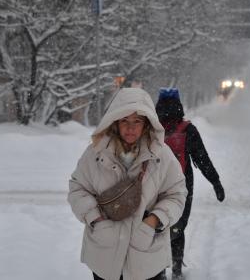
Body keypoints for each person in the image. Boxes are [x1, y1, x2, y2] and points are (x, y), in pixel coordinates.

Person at [68, 87, 187, 280]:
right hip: (104, 257)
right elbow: (77, 189)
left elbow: (176, 194)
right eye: (124, 120)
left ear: (146, 123)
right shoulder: (95, 153)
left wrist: (152, 223)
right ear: (115, 121)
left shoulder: (162, 155)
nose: (130, 128)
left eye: (137, 121)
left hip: (147, 257)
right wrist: (96, 220)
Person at [155, 88, 225, 279]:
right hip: (183, 186)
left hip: (155, 186)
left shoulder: (151, 128)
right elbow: (202, 159)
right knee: (178, 228)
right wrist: (216, 182)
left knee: (156, 229)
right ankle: (176, 271)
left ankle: (158, 271)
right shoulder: (187, 130)